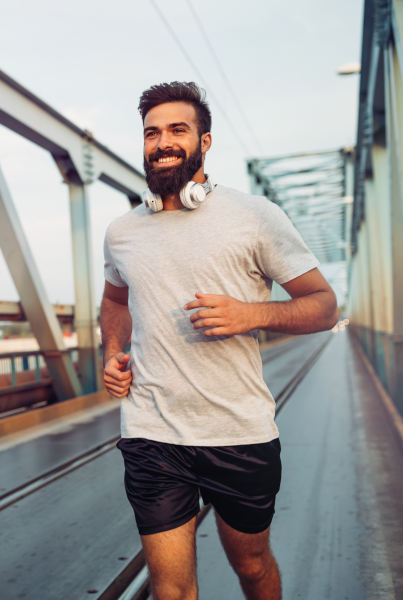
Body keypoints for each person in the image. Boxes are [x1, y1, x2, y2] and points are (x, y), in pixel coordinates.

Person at [100, 82, 338, 600]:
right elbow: (115, 301)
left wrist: (249, 313)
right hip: (152, 432)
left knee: (251, 567)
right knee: (170, 589)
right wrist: (112, 352)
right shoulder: (122, 232)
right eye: (152, 132)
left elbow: (324, 305)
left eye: (177, 130)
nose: (163, 142)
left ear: (204, 142)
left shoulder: (254, 216)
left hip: (238, 431)